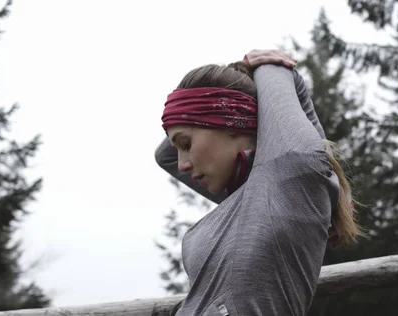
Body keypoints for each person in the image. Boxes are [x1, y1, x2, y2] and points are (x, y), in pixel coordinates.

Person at [155, 49, 362, 316]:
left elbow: (278, 70)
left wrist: (259, 68)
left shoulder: (290, 175)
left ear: (230, 121)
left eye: (186, 144)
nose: (182, 162)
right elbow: (165, 157)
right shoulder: (248, 194)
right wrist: (238, 74)